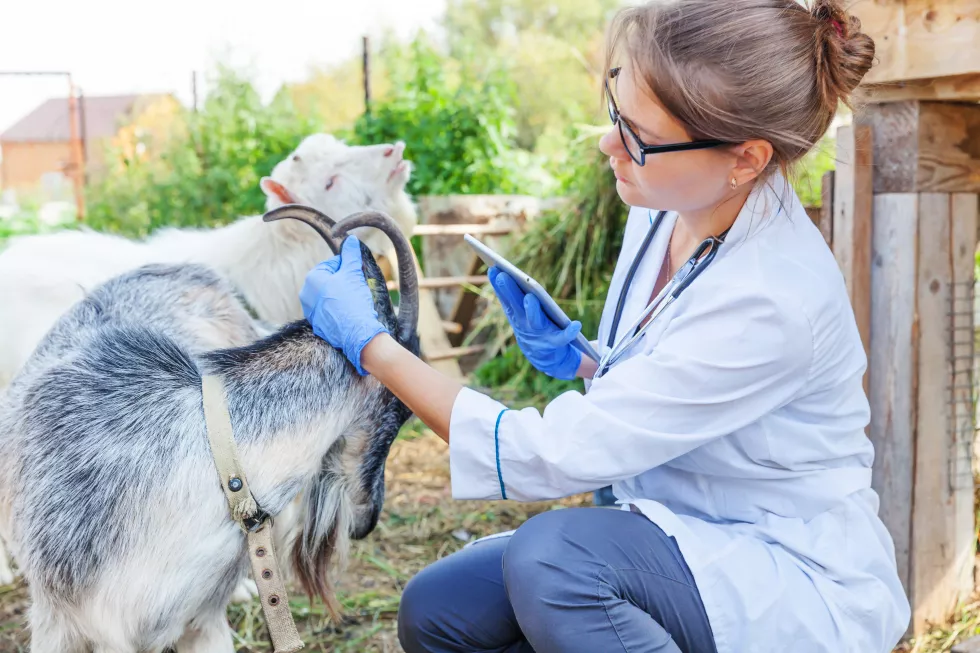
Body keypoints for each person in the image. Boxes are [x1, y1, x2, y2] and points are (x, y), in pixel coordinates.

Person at [297, 0, 912, 651]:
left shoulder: (772, 295)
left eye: (639, 136)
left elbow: (546, 456)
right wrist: (591, 361)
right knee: (440, 608)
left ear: (746, 158)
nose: (608, 142)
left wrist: (375, 346)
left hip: (783, 574)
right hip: (673, 534)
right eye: (617, 109)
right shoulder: (668, 201)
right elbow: (682, 378)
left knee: (554, 561)